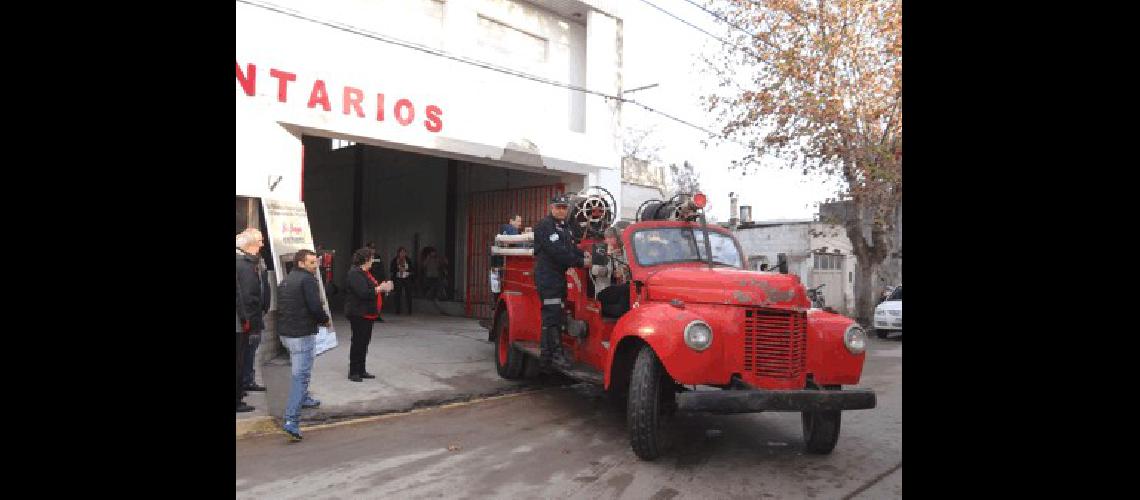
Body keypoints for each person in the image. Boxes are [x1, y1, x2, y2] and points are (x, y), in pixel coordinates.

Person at [275, 249, 331, 441]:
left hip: (286, 334)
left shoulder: (287, 280)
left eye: (316, 263)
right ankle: (291, 420)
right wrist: (325, 320)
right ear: (301, 263)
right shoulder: (307, 280)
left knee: (299, 371)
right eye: (312, 263)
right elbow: (315, 306)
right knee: (301, 376)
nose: (316, 267)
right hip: (301, 335)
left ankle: (305, 399)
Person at [533, 194, 591, 371]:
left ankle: (546, 357)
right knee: (552, 317)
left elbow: (571, 248)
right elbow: (557, 252)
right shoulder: (545, 226)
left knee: (555, 316)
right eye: (558, 207)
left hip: (558, 277)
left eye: (564, 208)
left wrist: (587, 255)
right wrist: (581, 262)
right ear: (551, 208)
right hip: (548, 277)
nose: (561, 210)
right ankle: (556, 356)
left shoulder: (565, 227)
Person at [346, 248, 394, 382]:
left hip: (368, 313)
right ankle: (354, 371)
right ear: (365, 259)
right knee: (358, 342)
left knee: (364, 342)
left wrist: (382, 286)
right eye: (371, 258)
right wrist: (380, 288)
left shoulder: (365, 273)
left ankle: (361, 369)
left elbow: (371, 289)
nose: (373, 261)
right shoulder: (355, 273)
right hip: (359, 313)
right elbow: (363, 293)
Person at [236, 228, 270, 413]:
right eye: (260, 241)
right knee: (240, 360)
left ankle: (242, 387)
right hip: (244, 322)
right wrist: (248, 320)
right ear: (250, 244)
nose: (262, 245)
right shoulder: (244, 264)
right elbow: (247, 296)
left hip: (245, 319)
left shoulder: (248, 262)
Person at [591, 226, 630, 318]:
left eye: (612, 237)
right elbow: (595, 271)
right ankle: (604, 309)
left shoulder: (623, 251)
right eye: (607, 238)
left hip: (619, 289)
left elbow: (628, 267)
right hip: (604, 290)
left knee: (628, 290)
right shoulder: (600, 250)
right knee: (625, 289)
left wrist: (624, 270)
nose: (609, 240)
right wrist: (607, 256)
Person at [389, 247, 414, 315]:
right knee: (398, 294)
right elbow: (391, 270)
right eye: (401, 252)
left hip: (406, 278)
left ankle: (409, 310)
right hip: (398, 278)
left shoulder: (408, 260)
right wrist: (398, 270)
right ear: (398, 253)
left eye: (404, 252)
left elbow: (412, 270)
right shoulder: (395, 260)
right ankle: (398, 310)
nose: (403, 254)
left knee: (409, 294)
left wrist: (407, 271)